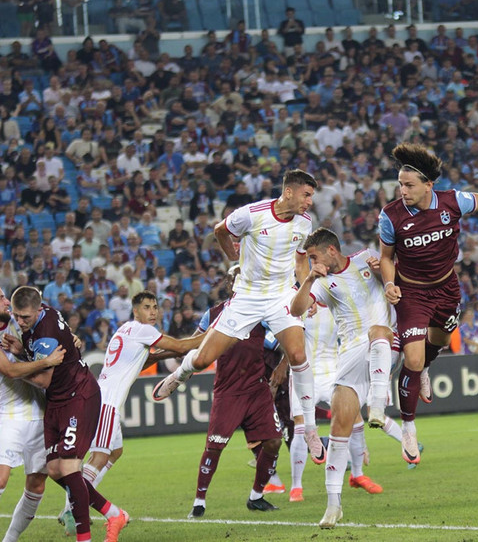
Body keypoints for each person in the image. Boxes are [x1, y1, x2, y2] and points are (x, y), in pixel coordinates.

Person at [378, 143, 478, 464]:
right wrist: (388, 283)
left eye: (409, 185)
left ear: (429, 185)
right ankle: (408, 428)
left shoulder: (452, 202)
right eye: (400, 184)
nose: (403, 190)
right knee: (411, 357)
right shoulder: (391, 215)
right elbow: (386, 257)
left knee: (437, 344)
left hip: (447, 290)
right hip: (412, 294)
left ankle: (426, 367)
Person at [152, 170, 327, 465]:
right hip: (247, 297)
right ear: (288, 192)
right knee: (202, 359)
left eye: (311, 196)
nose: (309, 202)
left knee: (298, 354)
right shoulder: (252, 214)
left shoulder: (305, 222)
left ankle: (309, 427)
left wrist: (303, 292)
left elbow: (299, 259)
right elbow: (220, 230)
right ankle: (180, 374)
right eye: (306, 195)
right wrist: (232, 254)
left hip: (281, 295)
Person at [59, 291, 205, 532]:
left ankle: (73, 503)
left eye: (155, 307)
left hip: (100, 397)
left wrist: (178, 351)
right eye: (147, 307)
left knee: (115, 451)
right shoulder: (142, 329)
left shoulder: (125, 330)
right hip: (106, 402)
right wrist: (217, 333)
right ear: (135, 311)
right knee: (98, 457)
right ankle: (72, 508)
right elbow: (182, 345)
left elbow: (145, 360)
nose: (153, 312)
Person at [289, 228, 397, 529]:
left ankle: (378, 404)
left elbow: (396, 285)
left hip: (383, 344)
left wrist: (383, 276)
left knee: (378, 332)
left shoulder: (367, 259)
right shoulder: (322, 283)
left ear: (331, 251)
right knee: (338, 431)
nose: (312, 262)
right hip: (349, 356)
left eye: (314, 257)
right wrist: (309, 278)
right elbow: (297, 309)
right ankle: (333, 505)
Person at [6, 286, 129, 542]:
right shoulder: (45, 314)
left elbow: (42, 380)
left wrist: (14, 366)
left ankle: (84, 538)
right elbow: (54, 346)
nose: (20, 322)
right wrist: (23, 351)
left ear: (38, 309)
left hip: (78, 397)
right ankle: (114, 513)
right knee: (54, 470)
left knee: (71, 468)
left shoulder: (45, 334)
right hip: (57, 402)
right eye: (16, 316)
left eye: (25, 317)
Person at [178, 266, 285, 518]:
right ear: (230, 283)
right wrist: (183, 366)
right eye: (238, 277)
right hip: (228, 391)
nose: (243, 280)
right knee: (215, 447)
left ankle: (256, 497)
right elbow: (193, 345)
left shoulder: (264, 312)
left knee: (273, 441)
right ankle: (199, 502)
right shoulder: (214, 314)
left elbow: (288, 338)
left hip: (257, 389)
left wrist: (282, 366)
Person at [0, 283, 64, 542]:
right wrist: (45, 362)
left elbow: (50, 329)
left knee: (37, 484)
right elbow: (8, 370)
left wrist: (68, 338)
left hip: (41, 413)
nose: (7, 302)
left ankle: (9, 540)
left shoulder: (19, 321)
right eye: (1, 298)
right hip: (9, 415)